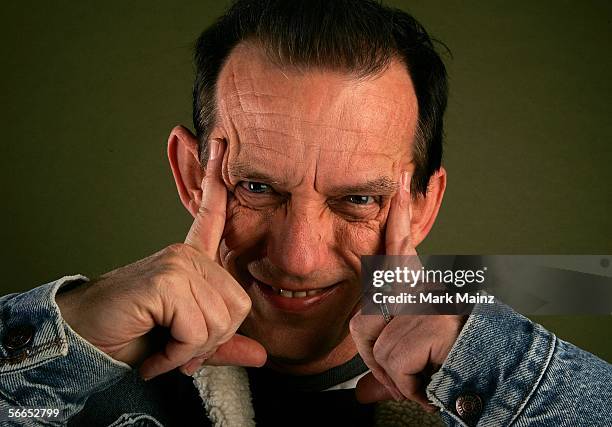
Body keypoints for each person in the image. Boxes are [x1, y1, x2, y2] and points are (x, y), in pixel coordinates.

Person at [1, 1, 610, 426]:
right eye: (259, 187)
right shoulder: (62, 393)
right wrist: (63, 336)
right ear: (192, 175)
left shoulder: (504, 382)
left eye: (359, 199)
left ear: (424, 205)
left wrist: (496, 366)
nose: (298, 258)